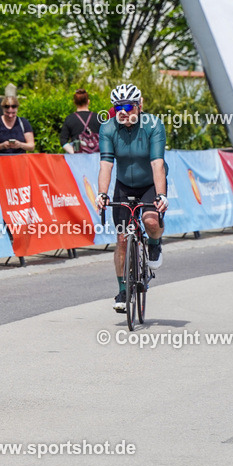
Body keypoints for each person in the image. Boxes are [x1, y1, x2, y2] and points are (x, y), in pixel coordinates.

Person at [95, 84, 168, 313]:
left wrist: (161, 195)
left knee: (151, 221)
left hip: (149, 183)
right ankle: (123, 289)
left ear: (140, 104)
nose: (123, 112)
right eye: (118, 107)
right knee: (122, 239)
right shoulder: (108, 128)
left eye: (128, 106)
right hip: (124, 185)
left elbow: (157, 163)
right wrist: (102, 193)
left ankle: (154, 244)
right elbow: (106, 165)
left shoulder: (154, 125)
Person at [60, 89, 101, 154]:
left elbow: (63, 140)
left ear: (74, 102)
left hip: (78, 159)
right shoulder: (98, 117)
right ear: (88, 101)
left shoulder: (69, 118)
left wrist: (74, 152)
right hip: (97, 157)